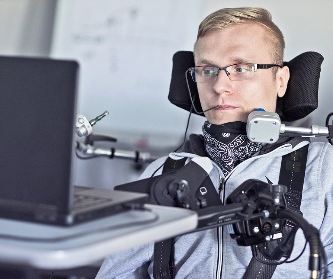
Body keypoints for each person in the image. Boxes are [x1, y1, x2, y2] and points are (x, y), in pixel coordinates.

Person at [96, 7, 333, 278]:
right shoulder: (162, 173)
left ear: (281, 81)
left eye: (242, 68)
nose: (220, 85)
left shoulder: (324, 170)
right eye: (207, 70)